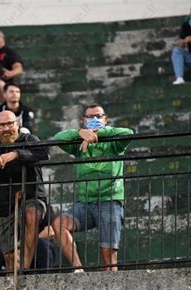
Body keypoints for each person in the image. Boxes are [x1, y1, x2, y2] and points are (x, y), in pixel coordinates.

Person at [52, 104, 134, 272]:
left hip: (109, 201)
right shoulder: (78, 142)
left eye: (98, 116)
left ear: (106, 119)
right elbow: (57, 138)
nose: (94, 119)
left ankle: (112, 288)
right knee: (60, 224)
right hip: (86, 203)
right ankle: (78, 270)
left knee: (109, 255)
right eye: (90, 117)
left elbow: (129, 133)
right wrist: (79, 133)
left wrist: (98, 133)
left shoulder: (114, 143)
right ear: (84, 120)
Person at [0, 110, 48, 270]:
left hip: (31, 197)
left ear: (17, 124)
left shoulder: (28, 139)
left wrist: (15, 154)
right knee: (10, 258)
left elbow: (43, 153)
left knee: (31, 215)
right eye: (2, 125)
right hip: (3, 206)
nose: (6, 128)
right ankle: (13, 279)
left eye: (10, 124)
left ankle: (25, 270)